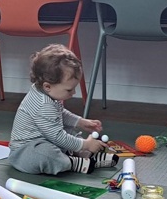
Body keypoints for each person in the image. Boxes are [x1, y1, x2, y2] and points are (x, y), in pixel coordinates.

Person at [9, 43, 119, 175]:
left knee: (67, 129)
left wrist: (80, 122)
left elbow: (59, 113)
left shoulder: (45, 92)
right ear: (47, 86)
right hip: (24, 153)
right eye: (69, 89)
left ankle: (82, 154)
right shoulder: (43, 104)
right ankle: (72, 162)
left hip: (47, 139)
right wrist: (85, 143)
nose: (74, 93)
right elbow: (58, 137)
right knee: (45, 153)